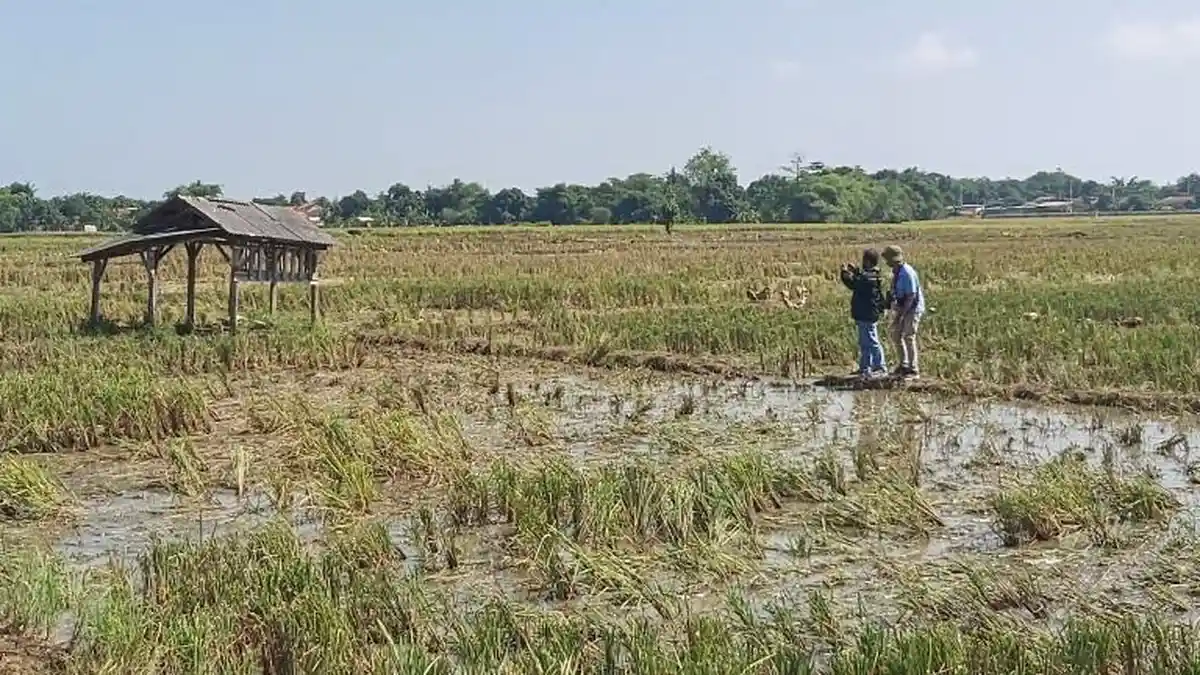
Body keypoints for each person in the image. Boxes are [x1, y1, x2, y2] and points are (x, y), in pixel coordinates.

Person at [839, 248, 888, 378]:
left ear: (867, 261)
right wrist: (855, 271)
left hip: (867, 314)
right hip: (865, 314)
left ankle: (880, 367)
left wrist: (844, 273)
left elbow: (854, 283)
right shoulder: (873, 275)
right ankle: (865, 367)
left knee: (871, 341)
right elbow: (861, 277)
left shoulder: (869, 277)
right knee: (864, 342)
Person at [882, 245, 924, 378]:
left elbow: (911, 296)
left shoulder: (907, 273)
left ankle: (913, 368)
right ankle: (903, 364)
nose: (886, 262)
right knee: (896, 334)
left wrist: (902, 314)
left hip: (912, 308)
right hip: (901, 306)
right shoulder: (896, 271)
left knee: (908, 336)